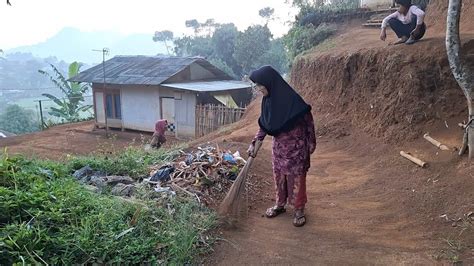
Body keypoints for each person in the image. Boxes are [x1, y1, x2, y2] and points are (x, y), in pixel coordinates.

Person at [247, 65, 316, 227]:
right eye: (257, 86)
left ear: (269, 83)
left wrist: (311, 141)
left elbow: (308, 120)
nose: (258, 89)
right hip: (279, 148)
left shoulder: (292, 99)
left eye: (260, 85)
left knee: (296, 177)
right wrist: (255, 143)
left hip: (296, 148)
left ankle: (299, 209)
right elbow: (265, 124)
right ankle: (280, 204)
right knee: (279, 176)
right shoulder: (268, 101)